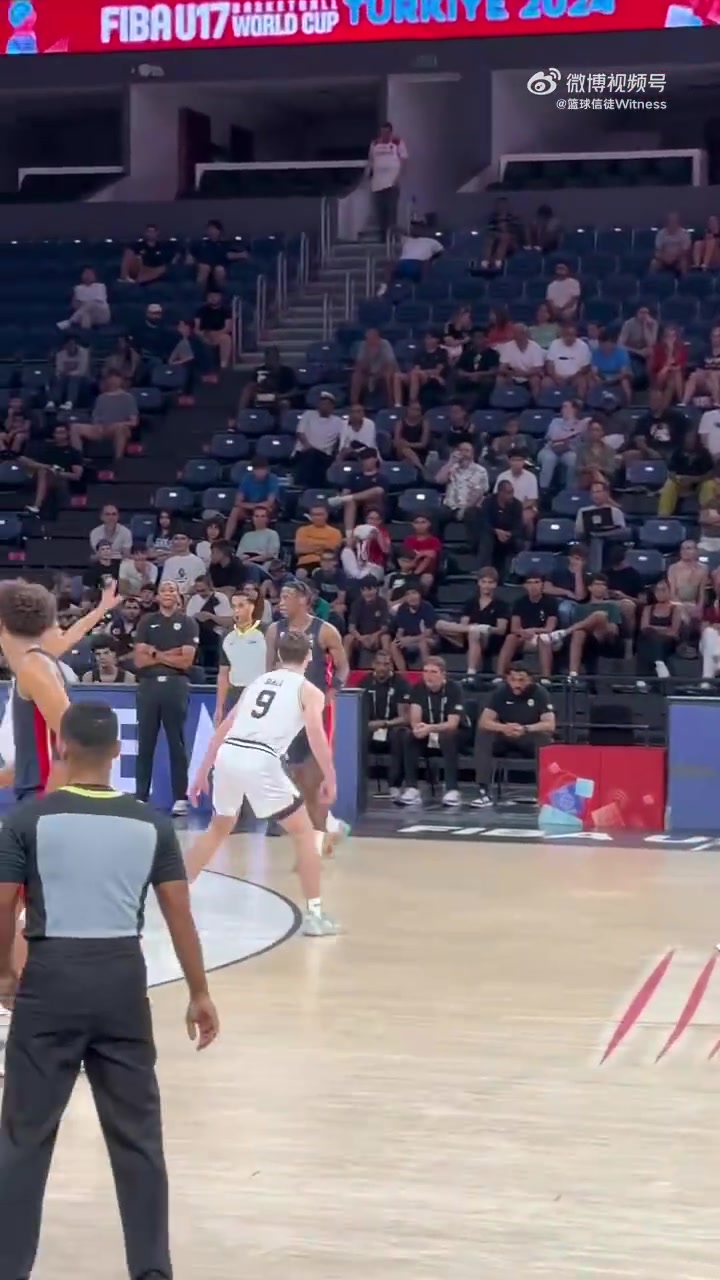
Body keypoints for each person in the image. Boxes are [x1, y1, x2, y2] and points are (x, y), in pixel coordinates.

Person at [0, 702, 218, 1280]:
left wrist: (3, 974)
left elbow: (2, 904)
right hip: (122, 980)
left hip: (50, 981)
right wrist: (199, 992)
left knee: (24, 1137)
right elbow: (179, 915)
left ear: (62, 747)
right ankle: (151, 1271)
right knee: (138, 1139)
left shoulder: (28, 820)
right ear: (118, 754)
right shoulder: (151, 824)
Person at [186, 629, 340, 935]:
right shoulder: (310, 691)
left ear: (279, 655)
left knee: (218, 828)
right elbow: (316, 735)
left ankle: (175, 890)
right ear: (309, 657)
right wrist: (330, 775)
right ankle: (315, 916)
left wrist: (202, 770)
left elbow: (224, 727)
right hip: (260, 758)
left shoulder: (257, 683)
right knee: (305, 834)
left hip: (229, 754)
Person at [265, 582, 348, 858]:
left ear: (303, 599)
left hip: (317, 708)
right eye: (280, 596)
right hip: (288, 710)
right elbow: (269, 670)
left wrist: (332, 692)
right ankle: (328, 830)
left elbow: (343, 667)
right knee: (298, 779)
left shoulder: (325, 630)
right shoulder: (274, 630)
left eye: (287, 596)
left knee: (315, 778)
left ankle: (321, 839)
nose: (281, 601)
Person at [133, 580, 199, 816]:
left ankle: (180, 798)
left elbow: (186, 661)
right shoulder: (146, 621)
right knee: (145, 743)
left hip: (175, 685)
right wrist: (172, 654)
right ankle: (140, 797)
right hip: (149, 686)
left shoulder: (188, 623)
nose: (168, 593)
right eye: (163, 590)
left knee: (176, 743)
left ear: (178, 595)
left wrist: (155, 653)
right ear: (157, 596)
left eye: (172, 590)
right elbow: (139, 660)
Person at [472, 663, 555, 808]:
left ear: (530, 680)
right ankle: (484, 792)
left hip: (528, 736)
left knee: (544, 739)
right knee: (484, 735)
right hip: (505, 735)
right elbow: (484, 721)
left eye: (521, 680)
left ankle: (544, 793)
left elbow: (549, 724)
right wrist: (504, 727)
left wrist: (526, 728)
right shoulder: (500, 692)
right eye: (513, 680)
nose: (517, 684)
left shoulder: (540, 693)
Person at [399, 657, 466, 807]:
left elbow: (452, 724)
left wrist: (430, 728)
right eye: (426, 671)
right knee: (409, 736)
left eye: (433, 672)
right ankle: (411, 788)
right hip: (428, 732)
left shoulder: (454, 689)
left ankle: (452, 789)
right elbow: (415, 719)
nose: (428, 676)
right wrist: (418, 729)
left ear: (443, 674)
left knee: (447, 736)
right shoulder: (418, 688)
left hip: (454, 733)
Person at [542, 572, 623, 676]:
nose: (600, 587)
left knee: (600, 615)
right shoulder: (580, 608)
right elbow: (578, 628)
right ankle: (573, 674)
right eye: (597, 584)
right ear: (589, 587)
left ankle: (564, 633)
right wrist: (590, 625)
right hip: (588, 639)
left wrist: (598, 623)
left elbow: (614, 630)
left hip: (606, 637)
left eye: (603, 585)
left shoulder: (612, 606)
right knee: (578, 633)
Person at [435, 566, 509, 677]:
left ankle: (471, 673)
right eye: (484, 582)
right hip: (466, 636)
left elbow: (501, 630)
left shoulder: (501, 604)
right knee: (439, 624)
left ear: (495, 584)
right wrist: (470, 628)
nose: (486, 585)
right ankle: (473, 629)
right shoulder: (471, 602)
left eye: (490, 582)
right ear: (479, 583)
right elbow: (463, 625)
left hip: (489, 639)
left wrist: (484, 628)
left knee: (475, 633)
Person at [360, 651, 410, 798]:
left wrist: (385, 723)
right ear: (373, 665)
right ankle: (357, 783)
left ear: (392, 666)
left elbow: (405, 717)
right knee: (355, 734)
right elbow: (358, 711)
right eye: (379, 664)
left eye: (386, 664)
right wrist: (367, 724)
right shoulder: (365, 683)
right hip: (370, 727)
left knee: (399, 735)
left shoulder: (401, 683)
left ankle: (394, 785)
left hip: (392, 727)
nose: (382, 667)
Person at [214, 590, 268, 725]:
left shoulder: (267, 631)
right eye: (233, 606)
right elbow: (223, 673)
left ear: (252, 607)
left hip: (261, 692)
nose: (236, 610)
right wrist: (219, 707)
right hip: (235, 693)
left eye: (241, 605)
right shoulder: (227, 635)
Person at [496, 575, 557, 678]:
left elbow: (549, 628)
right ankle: (499, 675)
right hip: (524, 637)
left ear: (542, 584)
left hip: (543, 636)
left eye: (536, 582)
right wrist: (523, 633)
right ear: (525, 586)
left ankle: (546, 677)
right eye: (530, 582)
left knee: (544, 639)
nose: (533, 586)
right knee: (510, 637)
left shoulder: (550, 602)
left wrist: (533, 631)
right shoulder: (519, 603)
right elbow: (514, 628)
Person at [657, 425, 714, 517]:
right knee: (669, 484)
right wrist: (678, 480)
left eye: (692, 438)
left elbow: (710, 474)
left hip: (699, 483)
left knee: (709, 485)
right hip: (680, 482)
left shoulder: (704, 453)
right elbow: (671, 472)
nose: (689, 440)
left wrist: (694, 479)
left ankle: (707, 516)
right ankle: (663, 516)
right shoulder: (677, 452)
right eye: (688, 438)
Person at [367, 121, 408, 241]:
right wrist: (368, 175)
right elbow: (371, 161)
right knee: (381, 212)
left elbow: (404, 161)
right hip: (377, 184)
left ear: (390, 132)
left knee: (391, 211)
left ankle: (391, 237)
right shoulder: (375, 144)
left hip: (391, 183)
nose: (384, 135)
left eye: (386, 132)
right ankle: (383, 237)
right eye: (382, 132)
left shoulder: (397, 143)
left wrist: (398, 178)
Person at [636, 578, 680, 681]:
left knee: (650, 640)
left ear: (669, 591)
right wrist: (663, 629)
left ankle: (641, 680)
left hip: (668, 642)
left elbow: (673, 631)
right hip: (649, 639)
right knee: (645, 639)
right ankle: (659, 663)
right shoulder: (648, 609)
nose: (660, 593)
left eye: (663, 590)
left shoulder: (675, 609)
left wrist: (654, 629)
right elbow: (644, 628)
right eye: (657, 590)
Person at [343, 577, 391, 667]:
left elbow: (384, 627)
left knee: (386, 638)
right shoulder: (356, 604)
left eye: (370, 589)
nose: (367, 593)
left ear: (376, 589)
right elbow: (351, 628)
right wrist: (361, 638)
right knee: (348, 638)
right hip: (361, 637)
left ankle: (387, 666)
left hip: (377, 637)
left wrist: (375, 635)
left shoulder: (382, 603)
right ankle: (344, 668)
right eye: (364, 590)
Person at [239, 346, 295, 413]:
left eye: (273, 357)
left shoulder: (287, 372)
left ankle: (282, 420)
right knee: (248, 389)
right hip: (262, 397)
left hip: (280, 398)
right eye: (268, 358)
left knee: (285, 403)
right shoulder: (259, 371)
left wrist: (280, 396)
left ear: (278, 358)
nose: (271, 360)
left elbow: (294, 390)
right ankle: (240, 415)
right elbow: (252, 386)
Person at [453, 327, 500, 409]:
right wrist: (470, 375)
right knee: (455, 378)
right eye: (476, 337)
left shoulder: (492, 354)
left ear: (485, 339)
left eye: (481, 337)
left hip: (484, 379)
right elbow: (459, 369)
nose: (478, 340)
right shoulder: (467, 354)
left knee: (488, 382)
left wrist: (478, 374)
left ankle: (480, 407)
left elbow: (493, 371)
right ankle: (454, 402)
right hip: (468, 378)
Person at [350, 328, 397, 407]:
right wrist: (369, 356)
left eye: (372, 338)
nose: (370, 341)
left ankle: (390, 401)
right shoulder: (363, 345)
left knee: (388, 374)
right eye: (368, 338)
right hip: (368, 373)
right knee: (356, 376)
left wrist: (377, 375)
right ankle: (354, 403)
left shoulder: (385, 344)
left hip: (383, 372)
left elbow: (390, 364)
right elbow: (359, 365)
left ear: (377, 337)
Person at [294, 503, 343, 577]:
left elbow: (332, 549)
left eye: (320, 514)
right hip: (304, 563)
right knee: (300, 574)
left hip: (326, 562)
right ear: (310, 516)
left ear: (326, 515)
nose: (317, 517)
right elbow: (299, 549)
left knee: (318, 573)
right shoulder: (302, 530)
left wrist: (309, 545)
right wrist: (323, 545)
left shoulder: (335, 532)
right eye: (314, 515)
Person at [480, 197, 524, 270]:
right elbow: (490, 231)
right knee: (489, 240)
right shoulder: (493, 219)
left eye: (504, 205)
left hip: (510, 244)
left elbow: (514, 233)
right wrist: (499, 234)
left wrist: (503, 228)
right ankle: (484, 265)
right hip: (495, 242)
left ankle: (497, 265)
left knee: (505, 238)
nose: (502, 207)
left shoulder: (513, 219)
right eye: (500, 205)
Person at [195, 289, 233, 369]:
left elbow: (228, 328)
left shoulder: (226, 311)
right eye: (210, 296)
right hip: (204, 335)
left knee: (226, 338)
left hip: (219, 335)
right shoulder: (201, 311)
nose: (213, 298)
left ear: (220, 297)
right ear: (207, 298)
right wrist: (203, 334)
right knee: (198, 337)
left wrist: (216, 334)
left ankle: (223, 365)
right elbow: (196, 328)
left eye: (215, 296)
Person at [393, 401, 431, 471]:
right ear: (408, 409)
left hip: (419, 451)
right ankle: (421, 469)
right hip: (400, 452)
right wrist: (404, 444)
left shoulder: (424, 423)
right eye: (413, 409)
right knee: (403, 448)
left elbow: (423, 444)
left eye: (418, 410)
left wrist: (408, 444)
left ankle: (417, 467)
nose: (416, 412)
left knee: (407, 457)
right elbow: (396, 442)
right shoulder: (400, 422)